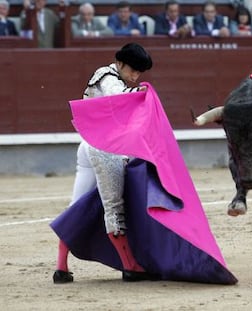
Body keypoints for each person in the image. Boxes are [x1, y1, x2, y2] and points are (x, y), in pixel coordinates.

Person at [53, 42, 153, 284]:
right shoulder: (107, 77)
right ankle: (130, 266)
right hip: (102, 148)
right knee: (114, 206)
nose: (135, 76)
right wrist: (141, 91)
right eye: (133, 70)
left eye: (139, 73)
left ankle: (61, 268)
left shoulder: (110, 77)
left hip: (88, 146)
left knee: (77, 206)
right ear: (119, 63)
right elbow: (118, 98)